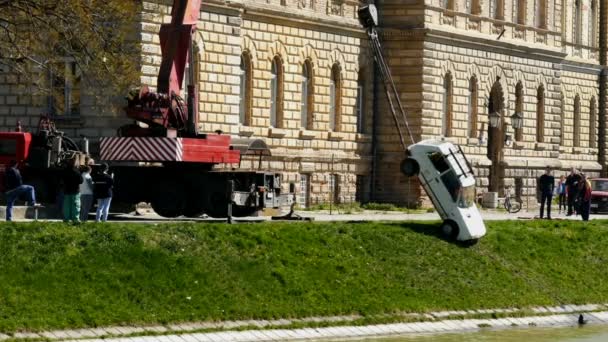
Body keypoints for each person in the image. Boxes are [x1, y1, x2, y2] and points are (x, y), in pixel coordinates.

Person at [62, 158, 83, 223]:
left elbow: (62, 180)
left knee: (66, 206)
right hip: (75, 191)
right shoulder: (76, 171)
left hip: (67, 190)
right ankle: (75, 219)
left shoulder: (64, 171)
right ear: (74, 164)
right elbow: (81, 181)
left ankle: (66, 219)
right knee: (75, 205)